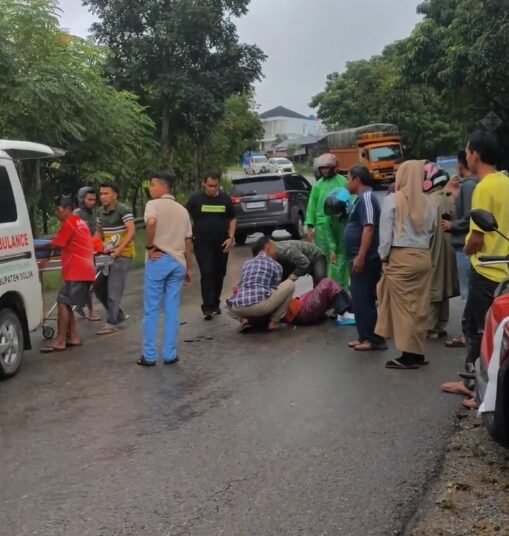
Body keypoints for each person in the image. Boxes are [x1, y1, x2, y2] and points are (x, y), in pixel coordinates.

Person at [375, 160, 436, 369]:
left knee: (404, 308)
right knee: (419, 307)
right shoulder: (428, 202)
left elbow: (385, 235)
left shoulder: (393, 199)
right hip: (423, 256)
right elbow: (432, 232)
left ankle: (408, 356)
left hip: (401, 257)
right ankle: (417, 352)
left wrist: (384, 258)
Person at [462, 131, 509, 376]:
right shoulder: (506, 182)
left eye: (468, 152)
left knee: (476, 327)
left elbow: (477, 240)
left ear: (476, 155)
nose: (466, 157)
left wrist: (466, 247)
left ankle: (473, 386)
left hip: (485, 270)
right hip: (506, 270)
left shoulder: (483, 188)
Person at [137, 172, 193, 367]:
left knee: (152, 309)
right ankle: (170, 354)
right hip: (178, 262)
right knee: (172, 310)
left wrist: (149, 247)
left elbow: (151, 222)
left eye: (152, 185)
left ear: (162, 187)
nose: (150, 189)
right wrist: (188, 267)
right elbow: (188, 241)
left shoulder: (153, 205)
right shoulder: (182, 210)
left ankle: (150, 356)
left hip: (158, 259)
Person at [37, 195, 95, 353]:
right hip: (83, 270)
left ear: (68, 209)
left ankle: (60, 339)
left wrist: (33, 247)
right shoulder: (80, 222)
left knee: (63, 302)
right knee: (67, 303)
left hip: (77, 271)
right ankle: (73, 336)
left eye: (59, 209)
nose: (56, 213)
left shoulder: (70, 223)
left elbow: (55, 244)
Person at [344, 165, 386, 351]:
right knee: (359, 299)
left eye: (348, 178)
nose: (347, 182)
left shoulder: (367, 198)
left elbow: (369, 227)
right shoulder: (360, 199)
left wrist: (361, 256)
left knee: (366, 298)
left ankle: (374, 339)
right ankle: (363, 336)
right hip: (357, 257)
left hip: (366, 259)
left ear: (357, 180)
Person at [186, 173, 236, 320]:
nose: (213, 189)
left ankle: (215, 303)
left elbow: (233, 218)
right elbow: (185, 215)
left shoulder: (225, 199)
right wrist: (188, 233)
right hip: (202, 243)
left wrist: (231, 237)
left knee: (220, 273)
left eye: (215, 186)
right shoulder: (196, 199)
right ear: (204, 184)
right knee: (207, 272)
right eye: (210, 186)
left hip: (221, 243)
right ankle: (207, 306)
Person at [442, 151, 479, 348]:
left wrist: (452, 226)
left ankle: (468, 334)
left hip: (465, 245)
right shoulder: (467, 186)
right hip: (465, 245)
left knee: (468, 293)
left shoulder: (470, 186)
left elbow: (470, 217)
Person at [226, 236, 295, 332]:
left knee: (229, 302)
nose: (276, 252)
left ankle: (244, 320)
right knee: (290, 284)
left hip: (238, 308)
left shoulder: (247, 263)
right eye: (274, 248)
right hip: (260, 307)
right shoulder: (276, 265)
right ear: (268, 248)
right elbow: (274, 289)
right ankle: (273, 322)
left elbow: (240, 285)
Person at [423, 162, 459, 339]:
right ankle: (440, 325)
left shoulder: (430, 201)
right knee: (443, 286)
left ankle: (431, 328)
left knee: (433, 287)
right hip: (448, 246)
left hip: (435, 248)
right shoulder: (445, 196)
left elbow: (425, 230)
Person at [95, 182, 136, 335]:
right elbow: (99, 233)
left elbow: (131, 232)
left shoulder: (123, 210)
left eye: (106, 193)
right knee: (98, 287)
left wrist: (119, 249)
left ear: (115, 195)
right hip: (106, 255)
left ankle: (111, 322)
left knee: (114, 289)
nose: (103, 197)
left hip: (123, 255)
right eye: (101, 194)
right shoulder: (100, 212)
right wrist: (93, 247)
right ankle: (117, 314)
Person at [305, 153, 349, 289]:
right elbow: (312, 205)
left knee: (340, 255)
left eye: (326, 168)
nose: (324, 171)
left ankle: (341, 286)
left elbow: (350, 199)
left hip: (340, 223)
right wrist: (310, 225)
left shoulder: (342, 181)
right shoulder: (318, 185)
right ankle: (326, 287)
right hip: (322, 226)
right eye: (322, 168)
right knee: (323, 256)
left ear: (333, 168)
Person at [74, 186, 101, 322]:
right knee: (88, 281)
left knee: (91, 282)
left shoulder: (93, 214)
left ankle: (82, 306)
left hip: (92, 251)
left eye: (94, 200)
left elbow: (96, 231)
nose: (92, 202)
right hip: (80, 253)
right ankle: (89, 310)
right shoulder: (77, 213)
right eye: (89, 199)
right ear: (81, 199)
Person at [283, 278, 351, 326]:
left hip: (300, 305)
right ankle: (343, 313)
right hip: (299, 310)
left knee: (332, 284)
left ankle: (350, 310)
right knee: (327, 283)